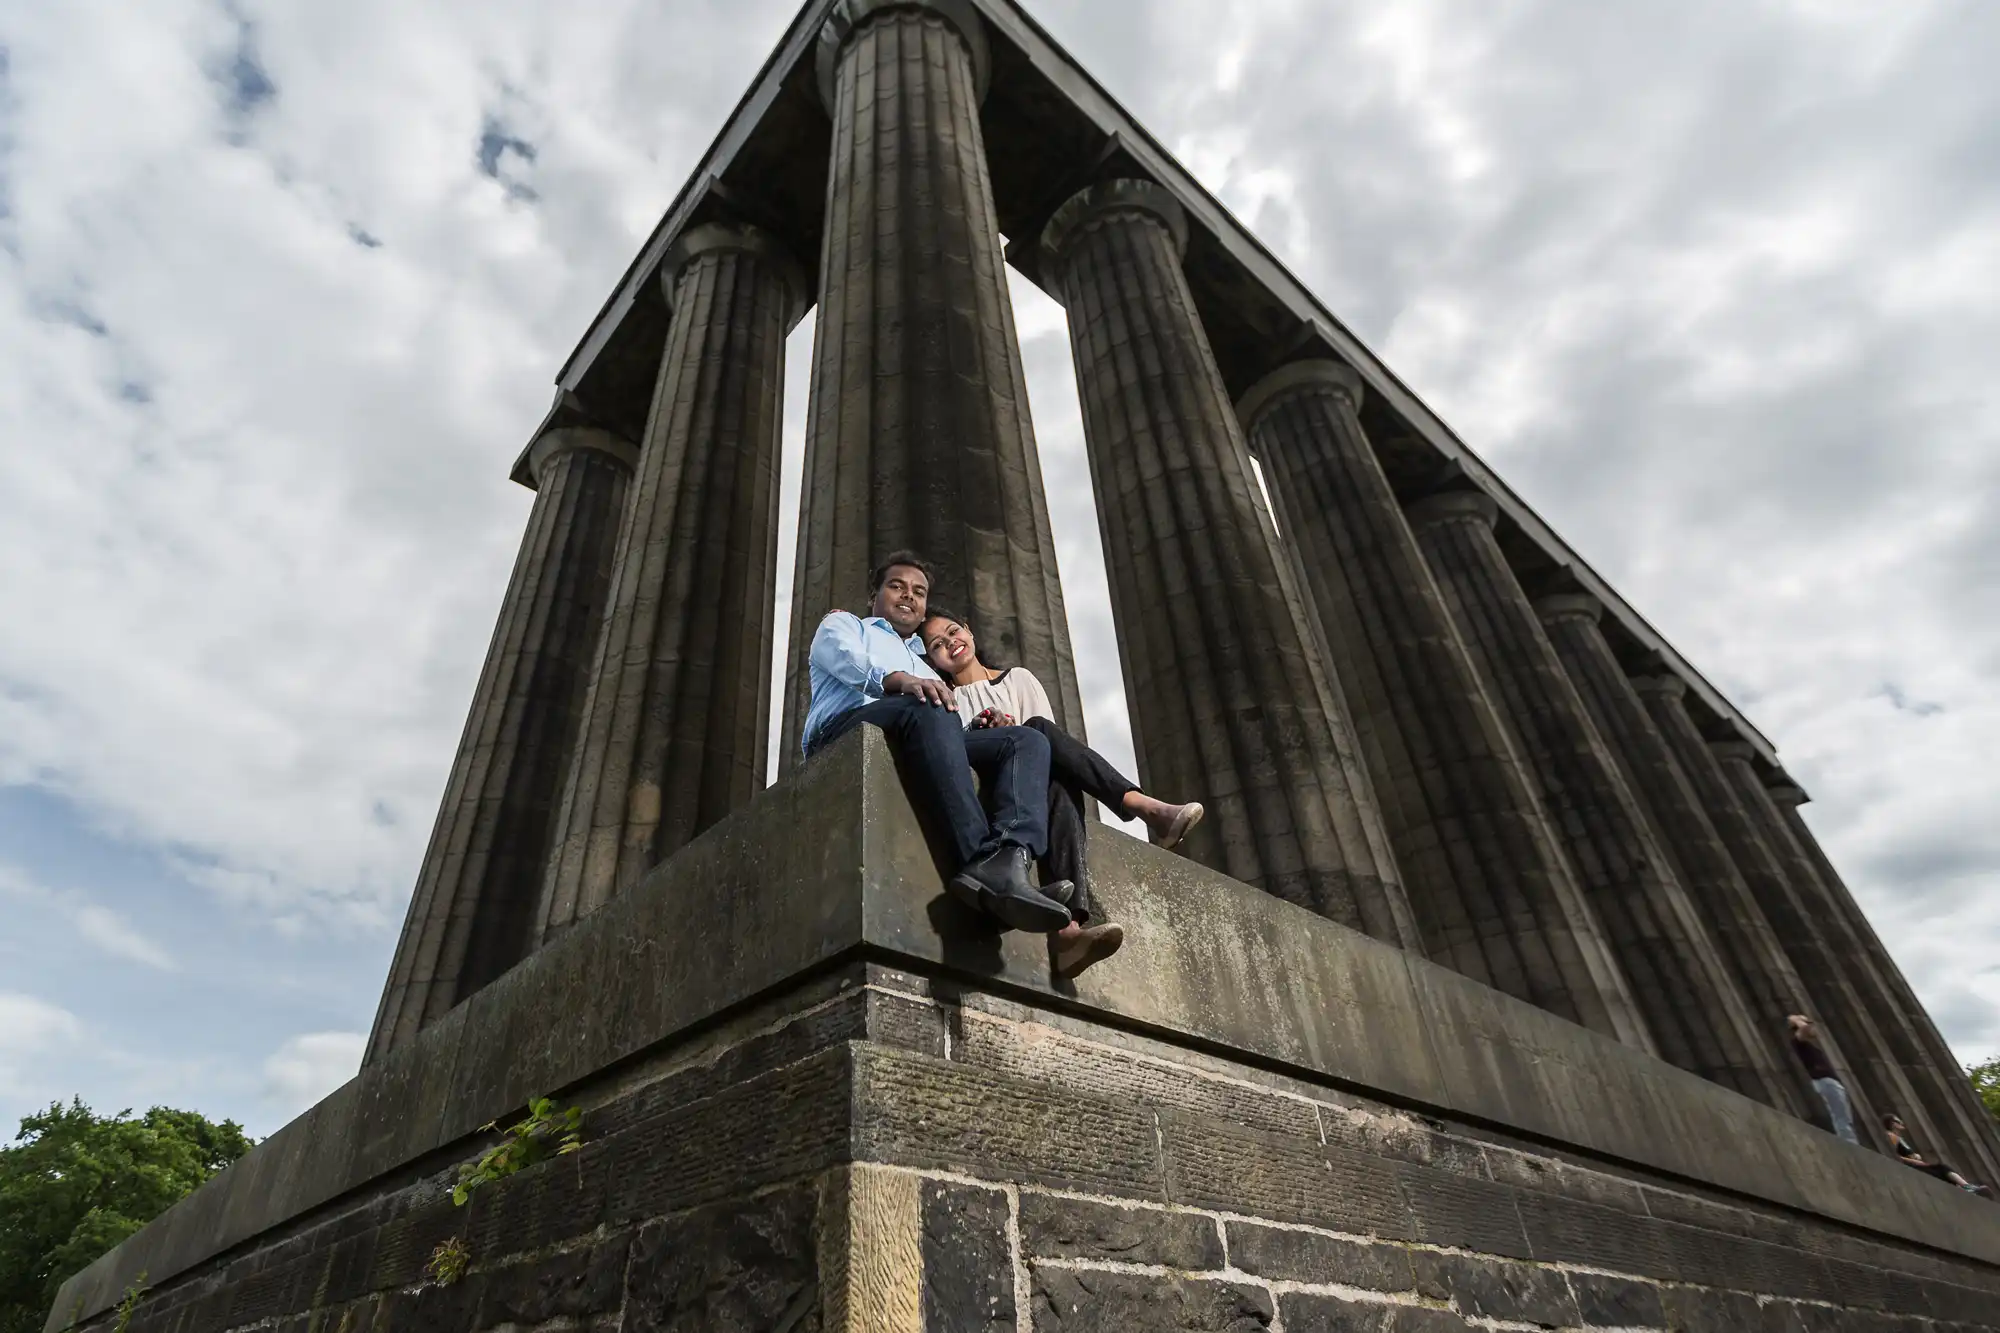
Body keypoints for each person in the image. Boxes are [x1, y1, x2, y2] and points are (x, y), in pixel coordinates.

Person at [919, 608, 1205, 979]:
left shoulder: (1018, 678)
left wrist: (1013, 728)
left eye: (954, 632)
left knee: (1050, 758)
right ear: (932, 659)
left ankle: (1068, 932)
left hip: (1030, 781)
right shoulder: (944, 697)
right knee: (1035, 732)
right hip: (987, 788)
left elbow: (1049, 746)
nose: (950, 643)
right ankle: (1143, 806)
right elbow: (951, 751)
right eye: (937, 645)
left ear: (970, 633)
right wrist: (983, 728)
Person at [800, 552, 1072, 934]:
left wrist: (976, 726)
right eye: (896, 586)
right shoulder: (844, 624)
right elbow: (844, 659)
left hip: (915, 728)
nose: (908, 596)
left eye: (919, 591)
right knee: (925, 703)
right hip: (843, 729)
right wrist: (898, 680)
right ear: (874, 595)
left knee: (1023, 740)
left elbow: (944, 724)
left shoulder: (925, 664)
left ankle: (1010, 855)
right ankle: (980, 862)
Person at [1788, 1014, 1860, 1145]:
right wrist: (1798, 1020)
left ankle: (1850, 1141)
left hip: (1830, 1082)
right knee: (1840, 1116)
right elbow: (1803, 1029)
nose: (1812, 1027)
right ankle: (1849, 1143)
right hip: (1825, 1081)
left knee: (1844, 1115)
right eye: (1809, 1024)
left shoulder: (1809, 1045)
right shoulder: (1799, 1042)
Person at [1881, 1115, 1992, 1196]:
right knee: (1942, 1168)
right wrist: (1915, 1161)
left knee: (1942, 1173)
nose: (1901, 1122)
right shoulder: (1891, 1136)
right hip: (1909, 1166)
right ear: (1892, 1123)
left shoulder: (1900, 1138)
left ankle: (1967, 1189)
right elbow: (1893, 1155)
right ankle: (1967, 1188)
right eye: (1898, 1121)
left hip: (1915, 1164)